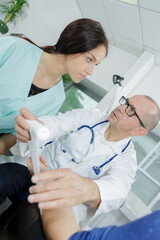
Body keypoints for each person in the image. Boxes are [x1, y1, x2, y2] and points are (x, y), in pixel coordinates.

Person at [0, 95, 159, 228]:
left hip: (59, 197)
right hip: (34, 165)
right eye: (126, 103)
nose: (121, 108)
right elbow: (57, 123)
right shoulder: (92, 116)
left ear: (139, 131)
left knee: (24, 227)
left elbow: (119, 190)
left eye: (131, 110)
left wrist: (87, 187)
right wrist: (35, 129)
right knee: (3, 179)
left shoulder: (126, 159)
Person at [0, 18, 108, 154]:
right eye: (89, 59)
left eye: (95, 64)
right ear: (73, 44)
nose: (90, 71)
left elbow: (10, 138)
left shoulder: (56, 99)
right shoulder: (15, 48)